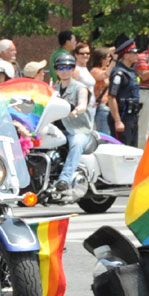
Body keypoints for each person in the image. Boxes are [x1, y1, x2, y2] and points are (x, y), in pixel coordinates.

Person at [50, 51, 94, 196]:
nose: (65, 71)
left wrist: (76, 110)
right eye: (61, 68)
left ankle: (65, 179)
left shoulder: (80, 88)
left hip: (78, 129)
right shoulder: (53, 90)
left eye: (68, 67)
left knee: (76, 144)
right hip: (56, 129)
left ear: (73, 69)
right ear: (56, 70)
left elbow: (83, 104)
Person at [107, 37, 142, 147]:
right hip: (122, 116)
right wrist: (117, 120)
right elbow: (111, 97)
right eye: (134, 52)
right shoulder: (119, 73)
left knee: (132, 149)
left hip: (132, 116)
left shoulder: (131, 72)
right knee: (122, 150)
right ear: (126, 55)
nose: (137, 55)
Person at [90, 46, 113, 135]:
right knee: (104, 134)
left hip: (109, 106)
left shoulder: (106, 70)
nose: (110, 59)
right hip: (101, 106)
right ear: (101, 58)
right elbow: (105, 75)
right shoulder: (95, 71)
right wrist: (114, 61)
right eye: (108, 57)